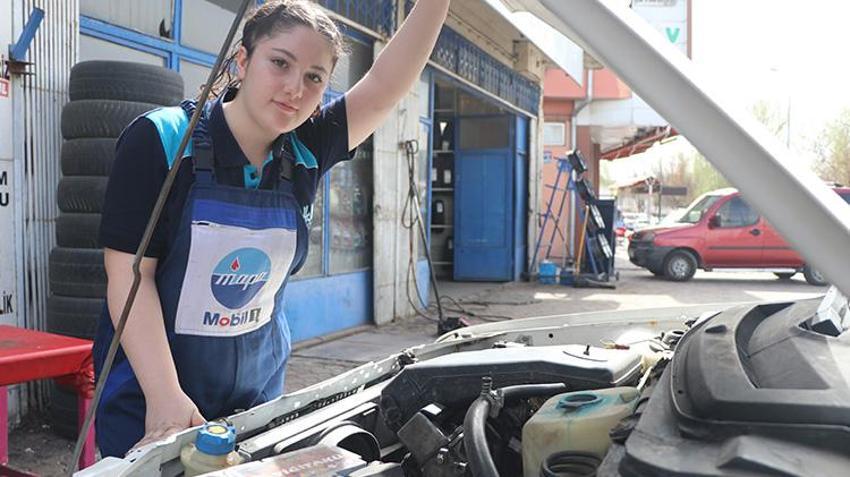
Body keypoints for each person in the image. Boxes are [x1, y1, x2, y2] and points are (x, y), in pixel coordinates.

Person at [93, 0, 450, 457]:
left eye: (314, 78)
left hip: (256, 406)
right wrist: (164, 398)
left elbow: (384, 86)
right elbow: (128, 276)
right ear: (242, 60)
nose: (294, 89)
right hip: (151, 402)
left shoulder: (308, 147)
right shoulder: (160, 139)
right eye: (280, 63)